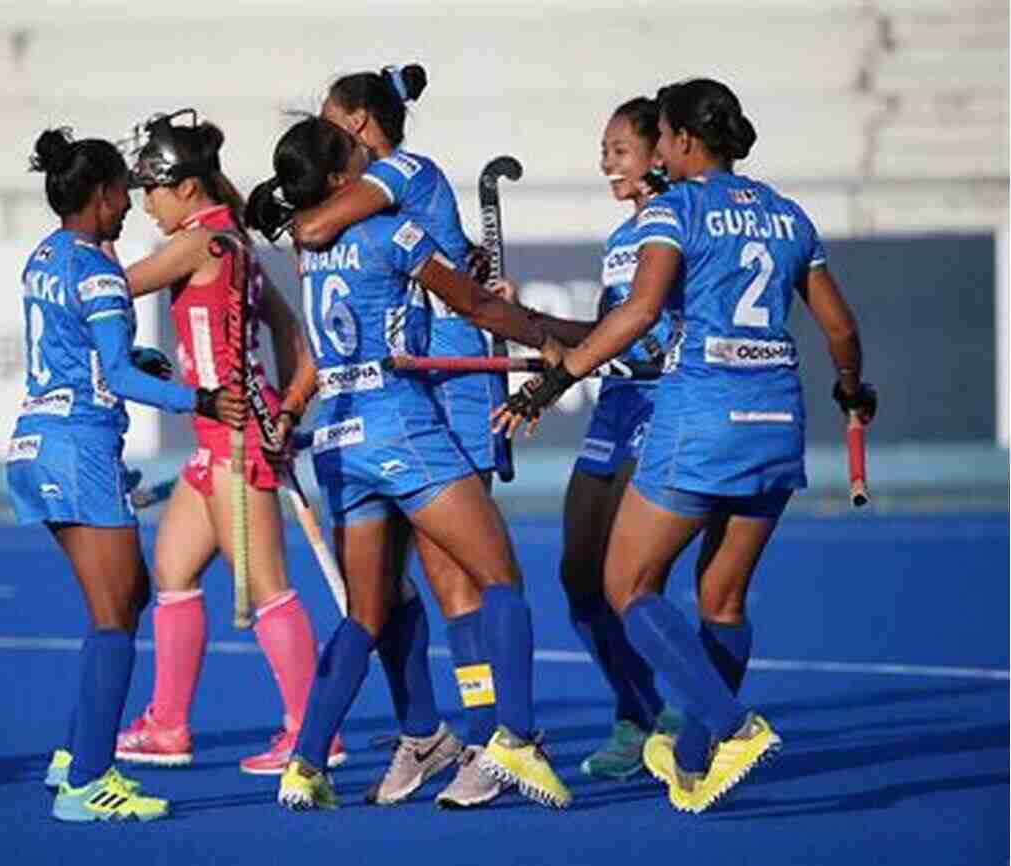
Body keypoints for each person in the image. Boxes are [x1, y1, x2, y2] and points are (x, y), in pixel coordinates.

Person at [496, 78, 876, 813]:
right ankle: (695, 759)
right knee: (723, 599)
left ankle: (733, 728)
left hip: (702, 417)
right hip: (778, 420)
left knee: (627, 586)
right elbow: (840, 329)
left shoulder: (675, 209)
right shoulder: (789, 214)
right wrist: (853, 390)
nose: (659, 150)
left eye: (662, 137)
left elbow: (640, 312)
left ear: (685, 142)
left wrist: (552, 383)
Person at [248, 116, 580, 812]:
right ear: (343, 179)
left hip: (340, 445)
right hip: (400, 430)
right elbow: (476, 303)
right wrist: (546, 342)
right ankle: (514, 738)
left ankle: (306, 763)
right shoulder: (385, 233)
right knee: (501, 577)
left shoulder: (311, 254)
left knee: (364, 615)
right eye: (356, 161)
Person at [291, 63, 516, 808]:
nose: (325, 132)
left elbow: (314, 224)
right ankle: (427, 734)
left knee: (457, 574)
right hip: (406, 380)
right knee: (391, 587)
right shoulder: (371, 198)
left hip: (451, 372)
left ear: (358, 124)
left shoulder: (400, 172)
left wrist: (291, 206)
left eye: (329, 120)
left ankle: (488, 739)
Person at [12, 125, 243, 822]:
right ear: (101, 193)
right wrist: (198, 399)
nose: (130, 205)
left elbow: (81, 351)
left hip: (33, 444)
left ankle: (77, 752)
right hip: (79, 449)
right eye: (124, 193)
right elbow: (113, 372)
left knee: (124, 598)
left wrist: (127, 368)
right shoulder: (98, 269)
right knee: (117, 613)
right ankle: (88, 781)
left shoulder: (44, 256)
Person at [106, 110, 345, 775]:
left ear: (183, 186)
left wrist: (83, 246)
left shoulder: (199, 242)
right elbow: (297, 340)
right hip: (220, 436)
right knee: (174, 571)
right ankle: (168, 727)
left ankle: (311, 731)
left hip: (236, 438)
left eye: (147, 190)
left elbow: (109, 291)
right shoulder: (232, 242)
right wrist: (289, 409)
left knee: (267, 585)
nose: (142, 205)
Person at [559, 96, 682, 780]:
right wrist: (531, 324)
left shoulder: (680, 226)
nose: (607, 161)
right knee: (578, 578)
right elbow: (603, 336)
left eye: (619, 149)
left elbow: (655, 331)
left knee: (630, 581)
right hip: (614, 410)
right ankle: (639, 710)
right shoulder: (617, 242)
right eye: (603, 149)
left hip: (665, 411)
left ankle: (692, 715)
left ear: (657, 154)